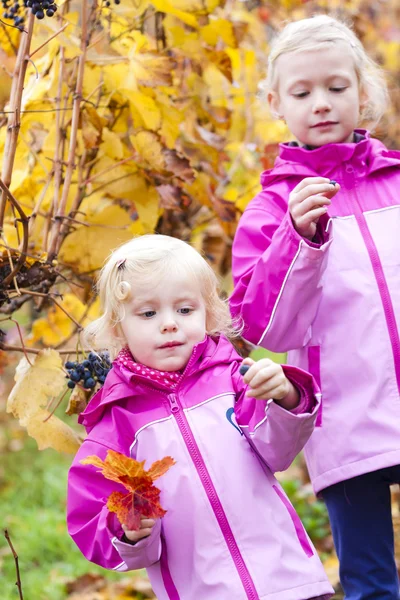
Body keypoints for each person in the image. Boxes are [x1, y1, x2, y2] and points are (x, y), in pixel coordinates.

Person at [230, 13, 400, 600]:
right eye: (303, 92)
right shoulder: (272, 210)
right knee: (371, 580)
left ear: (364, 91)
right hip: (347, 419)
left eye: (336, 87)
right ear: (278, 102)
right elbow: (263, 326)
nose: (321, 103)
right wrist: (299, 241)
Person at [67, 234, 333, 600]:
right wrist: (128, 529)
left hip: (287, 578)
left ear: (207, 314)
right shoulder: (116, 424)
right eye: (148, 313)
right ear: (117, 327)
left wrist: (285, 395)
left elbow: (278, 451)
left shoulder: (235, 379)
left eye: (185, 310)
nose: (169, 324)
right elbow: (90, 518)